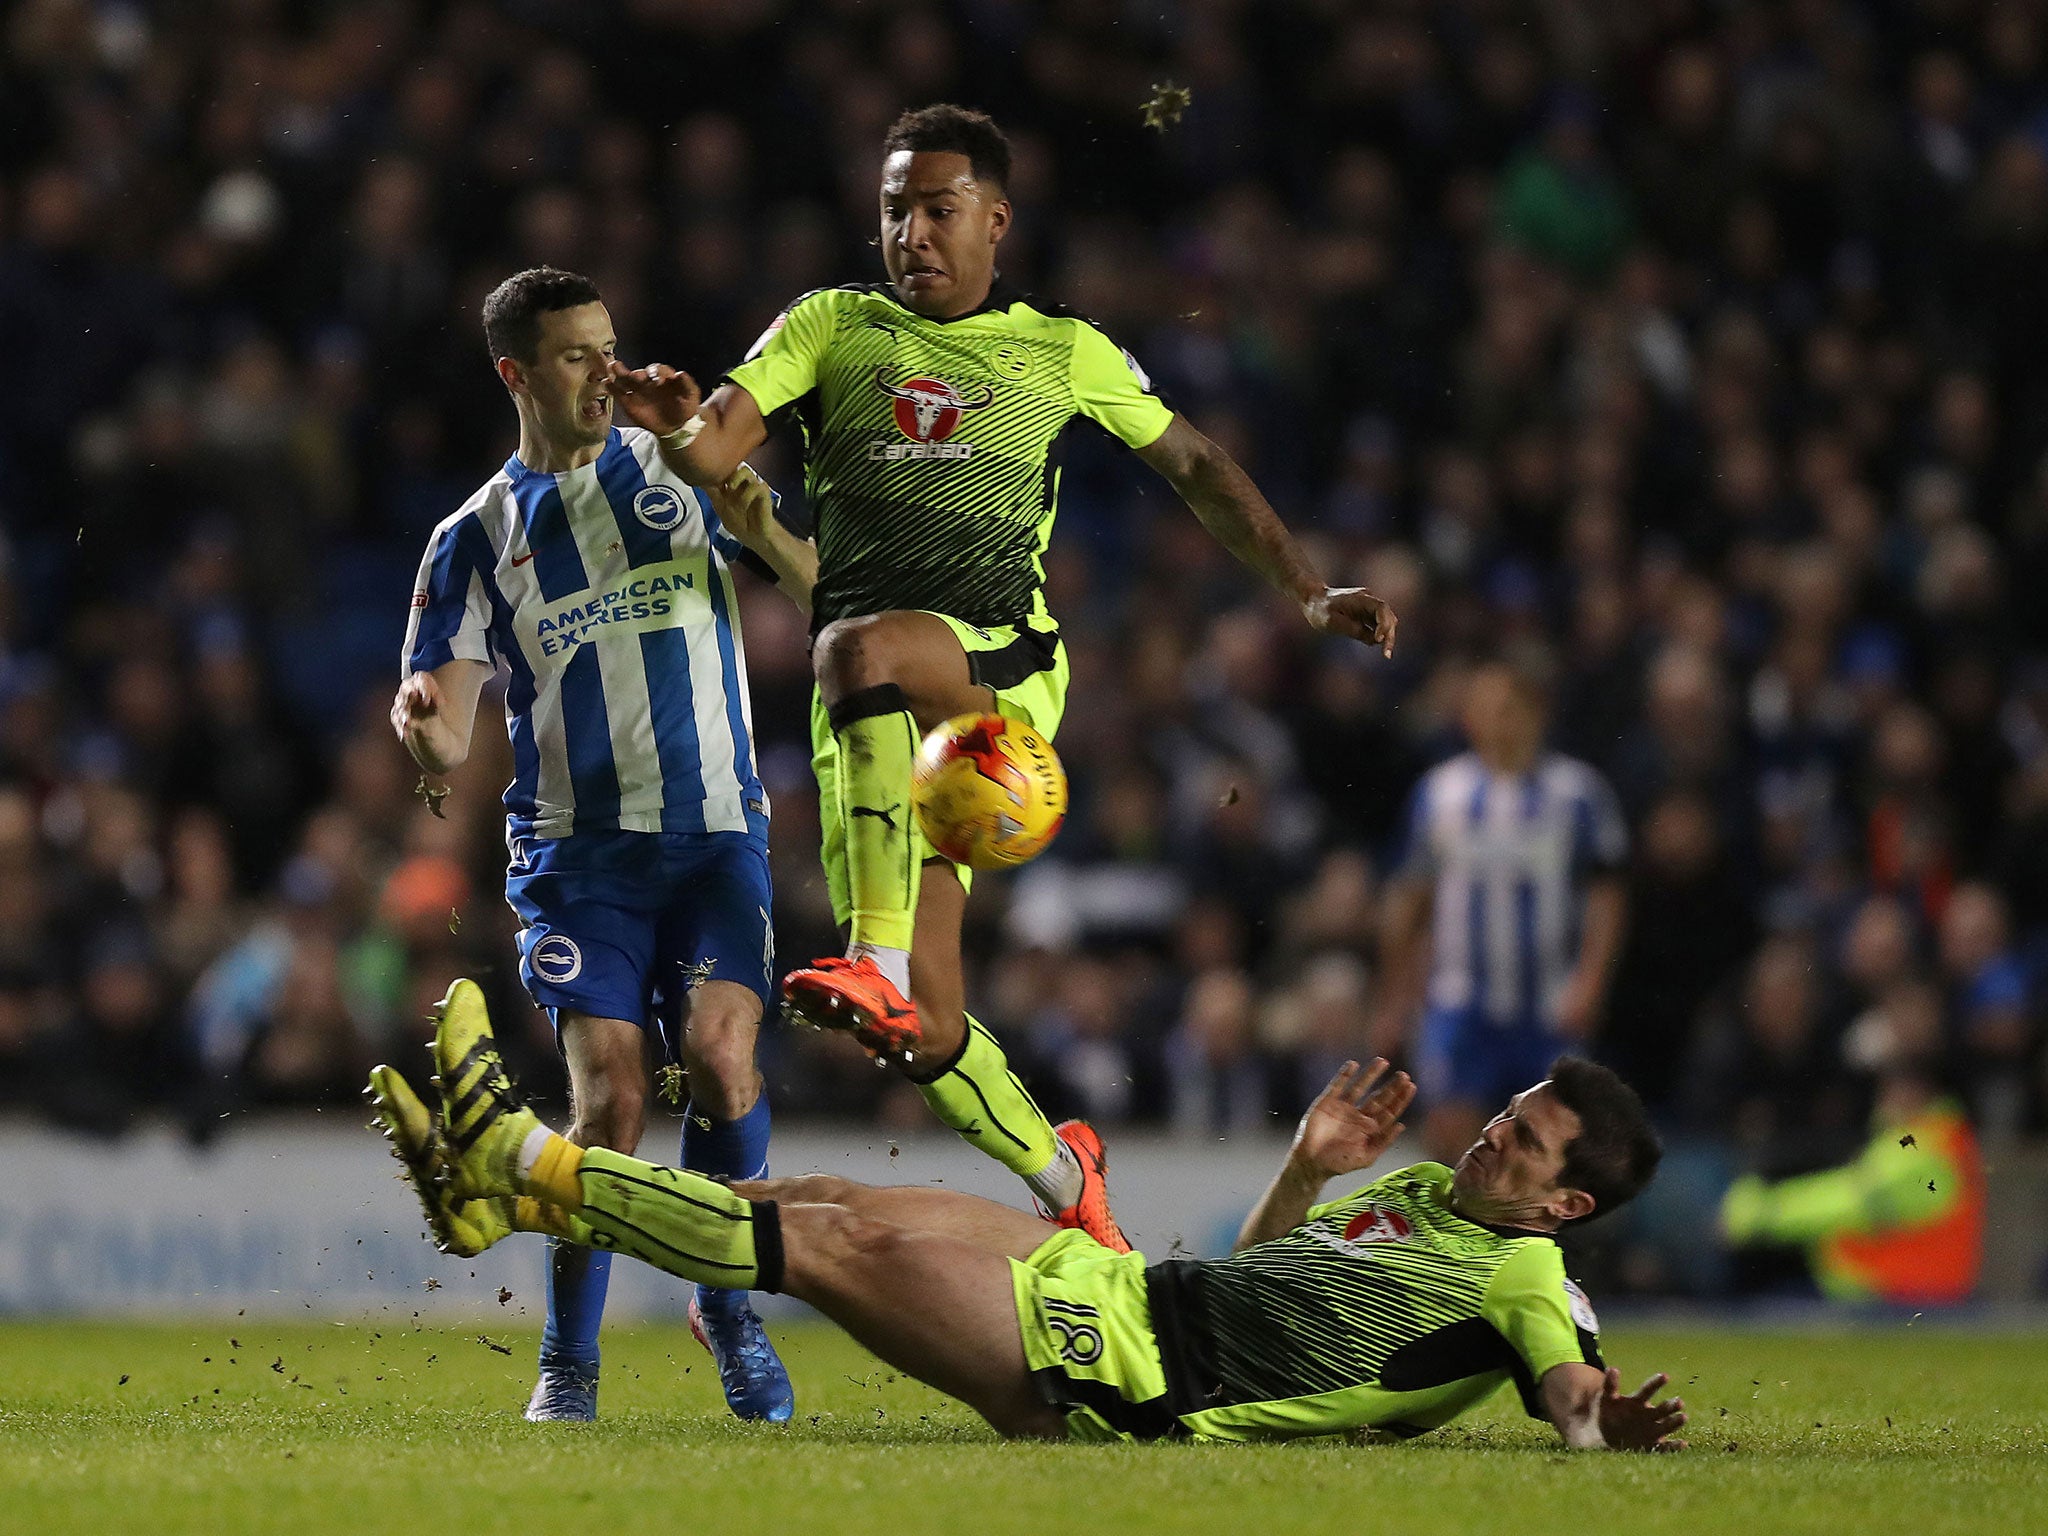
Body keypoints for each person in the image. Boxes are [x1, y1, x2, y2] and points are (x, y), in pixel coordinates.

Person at [601, 104, 1399, 1251]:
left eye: (937, 210)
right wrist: (679, 427)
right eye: (893, 211)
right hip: (870, 722)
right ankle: (1062, 1169)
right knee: (924, 1034)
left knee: (852, 646)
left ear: (994, 219)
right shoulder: (830, 327)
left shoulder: (1059, 349)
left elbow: (1198, 465)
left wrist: (1306, 591)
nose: (911, 234)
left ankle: (870, 958)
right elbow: (718, 446)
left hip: (999, 675)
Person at [365, 980, 1683, 1450]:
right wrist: (1307, 1165)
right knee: (819, 1194)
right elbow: (1265, 1278)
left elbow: (1568, 1384)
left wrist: (1599, 1422)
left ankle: (524, 1163)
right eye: (1508, 1115)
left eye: (1526, 1146)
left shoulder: (1524, 1281)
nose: (1494, 1138)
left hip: (1125, 1385)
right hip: (1133, 1291)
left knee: (827, 1252)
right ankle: (502, 1205)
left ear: (1563, 1205)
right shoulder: (1411, 1197)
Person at [392, 268, 815, 1423]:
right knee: (612, 1105)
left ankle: (724, 1302)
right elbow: (446, 720)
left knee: (725, 1062)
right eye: (576, 355)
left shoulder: (674, 464)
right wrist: (425, 738)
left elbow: (812, 580)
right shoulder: (471, 536)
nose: (604, 373)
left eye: (611, 346)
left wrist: (726, 480)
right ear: (515, 373)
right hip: (580, 857)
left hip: (719, 828)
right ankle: (568, 1368)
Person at [1377, 656, 1629, 1162]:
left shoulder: (1578, 793)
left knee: (1551, 1147)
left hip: (1550, 1002)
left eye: (1511, 708)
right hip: (1460, 1002)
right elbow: (1411, 897)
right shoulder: (1441, 793)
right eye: (1486, 709)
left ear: (1538, 714)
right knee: (1453, 1137)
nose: (1499, 721)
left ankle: (1541, 1241)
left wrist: (1591, 980)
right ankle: (1453, 1242)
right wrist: (1394, 997)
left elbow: (1608, 894)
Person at [1719, 1054, 1985, 1306]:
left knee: (1764, 1314)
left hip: (1906, 1299)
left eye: (1888, 1091)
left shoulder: (1928, 1150)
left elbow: (1852, 1201)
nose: (1881, 1102)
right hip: (1897, 1295)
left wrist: (1761, 1213)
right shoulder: (1926, 1140)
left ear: (1915, 1093)